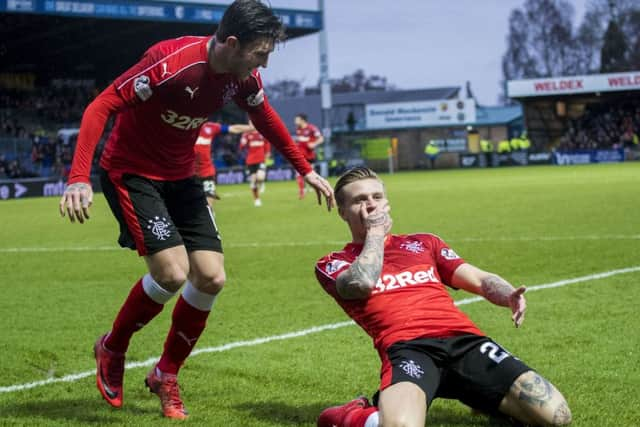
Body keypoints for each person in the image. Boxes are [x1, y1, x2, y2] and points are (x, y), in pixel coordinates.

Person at [58, 0, 334, 420]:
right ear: (233, 43)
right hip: (133, 174)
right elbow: (101, 106)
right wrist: (78, 176)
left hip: (182, 177)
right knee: (170, 273)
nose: (264, 64)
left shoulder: (243, 78)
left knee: (211, 276)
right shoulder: (170, 61)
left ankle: (165, 373)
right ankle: (112, 347)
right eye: (261, 53)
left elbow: (265, 116)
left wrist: (305, 169)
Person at [314, 167, 572, 427]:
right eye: (360, 200)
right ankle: (352, 415)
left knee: (557, 416)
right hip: (409, 348)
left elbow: (479, 279)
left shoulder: (424, 243)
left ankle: (480, 396)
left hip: (464, 341)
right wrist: (376, 234)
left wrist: (508, 295)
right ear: (342, 212)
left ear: (387, 203)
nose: (371, 205)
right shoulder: (334, 263)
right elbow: (362, 283)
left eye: (377, 197)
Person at [194, 121, 251, 205]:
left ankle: (210, 214)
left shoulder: (210, 127)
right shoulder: (182, 129)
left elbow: (234, 128)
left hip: (206, 172)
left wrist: (252, 127)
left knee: (208, 204)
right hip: (190, 175)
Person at [239, 122, 271, 206]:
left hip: (261, 160)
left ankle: (261, 183)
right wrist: (242, 142)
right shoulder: (246, 134)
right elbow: (241, 147)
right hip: (250, 161)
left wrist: (267, 152)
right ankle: (257, 199)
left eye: (253, 123)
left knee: (260, 177)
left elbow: (267, 144)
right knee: (253, 181)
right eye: (250, 123)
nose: (251, 125)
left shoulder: (262, 133)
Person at [294, 113, 323, 199]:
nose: (295, 121)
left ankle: (317, 188)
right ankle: (302, 191)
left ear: (302, 120)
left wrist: (314, 144)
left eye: (297, 119)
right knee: (298, 174)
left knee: (311, 175)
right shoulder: (298, 129)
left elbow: (321, 138)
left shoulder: (312, 128)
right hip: (300, 156)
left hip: (310, 156)